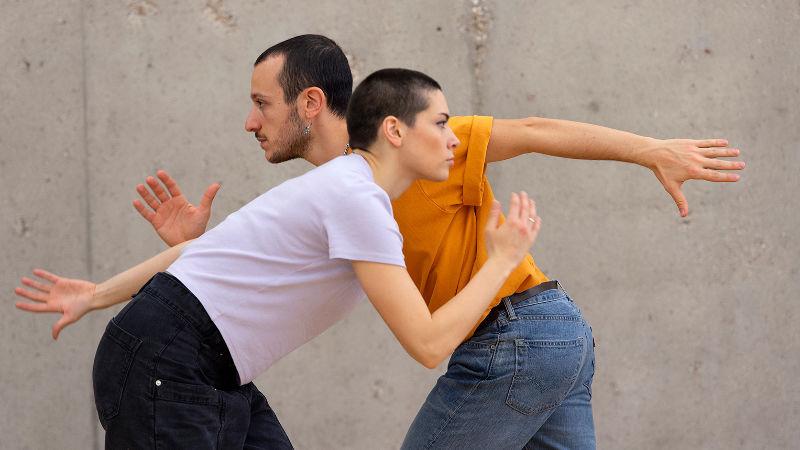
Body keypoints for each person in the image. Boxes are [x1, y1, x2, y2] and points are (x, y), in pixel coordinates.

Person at [17, 35, 744, 448]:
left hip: (516, 331)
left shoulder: (412, 155)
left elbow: (542, 131)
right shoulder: (349, 192)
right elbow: (196, 263)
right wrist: (101, 290)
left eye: (260, 104)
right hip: (186, 357)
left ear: (312, 104)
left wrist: (652, 149)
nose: (250, 122)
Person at [15, 66, 541, 448]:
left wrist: (95, 294)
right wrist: (500, 261)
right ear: (395, 130)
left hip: (206, 366)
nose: (454, 140)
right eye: (442, 123)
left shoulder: (347, 189)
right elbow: (427, 345)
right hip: (170, 362)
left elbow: (198, 250)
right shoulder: (355, 197)